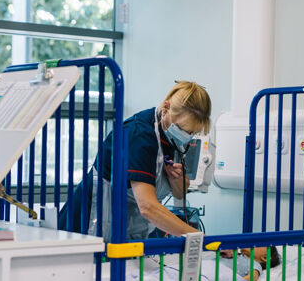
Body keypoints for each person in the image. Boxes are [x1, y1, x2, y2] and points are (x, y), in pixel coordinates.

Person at [59, 81, 211, 241]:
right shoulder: (139, 135)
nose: (186, 136)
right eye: (181, 129)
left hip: (125, 225)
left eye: (192, 132)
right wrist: (200, 238)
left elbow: (180, 193)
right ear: (166, 108)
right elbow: (147, 207)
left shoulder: (172, 137)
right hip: (88, 223)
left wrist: (177, 180)